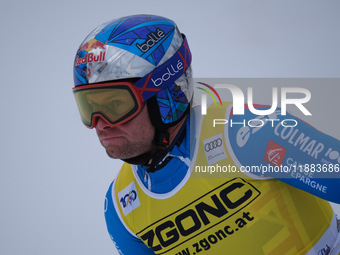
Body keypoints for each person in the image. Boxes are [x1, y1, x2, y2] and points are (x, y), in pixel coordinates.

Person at [72, 14, 340, 255]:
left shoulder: (249, 133)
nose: (100, 123)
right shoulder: (121, 211)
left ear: (164, 96)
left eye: (115, 105)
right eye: (90, 107)